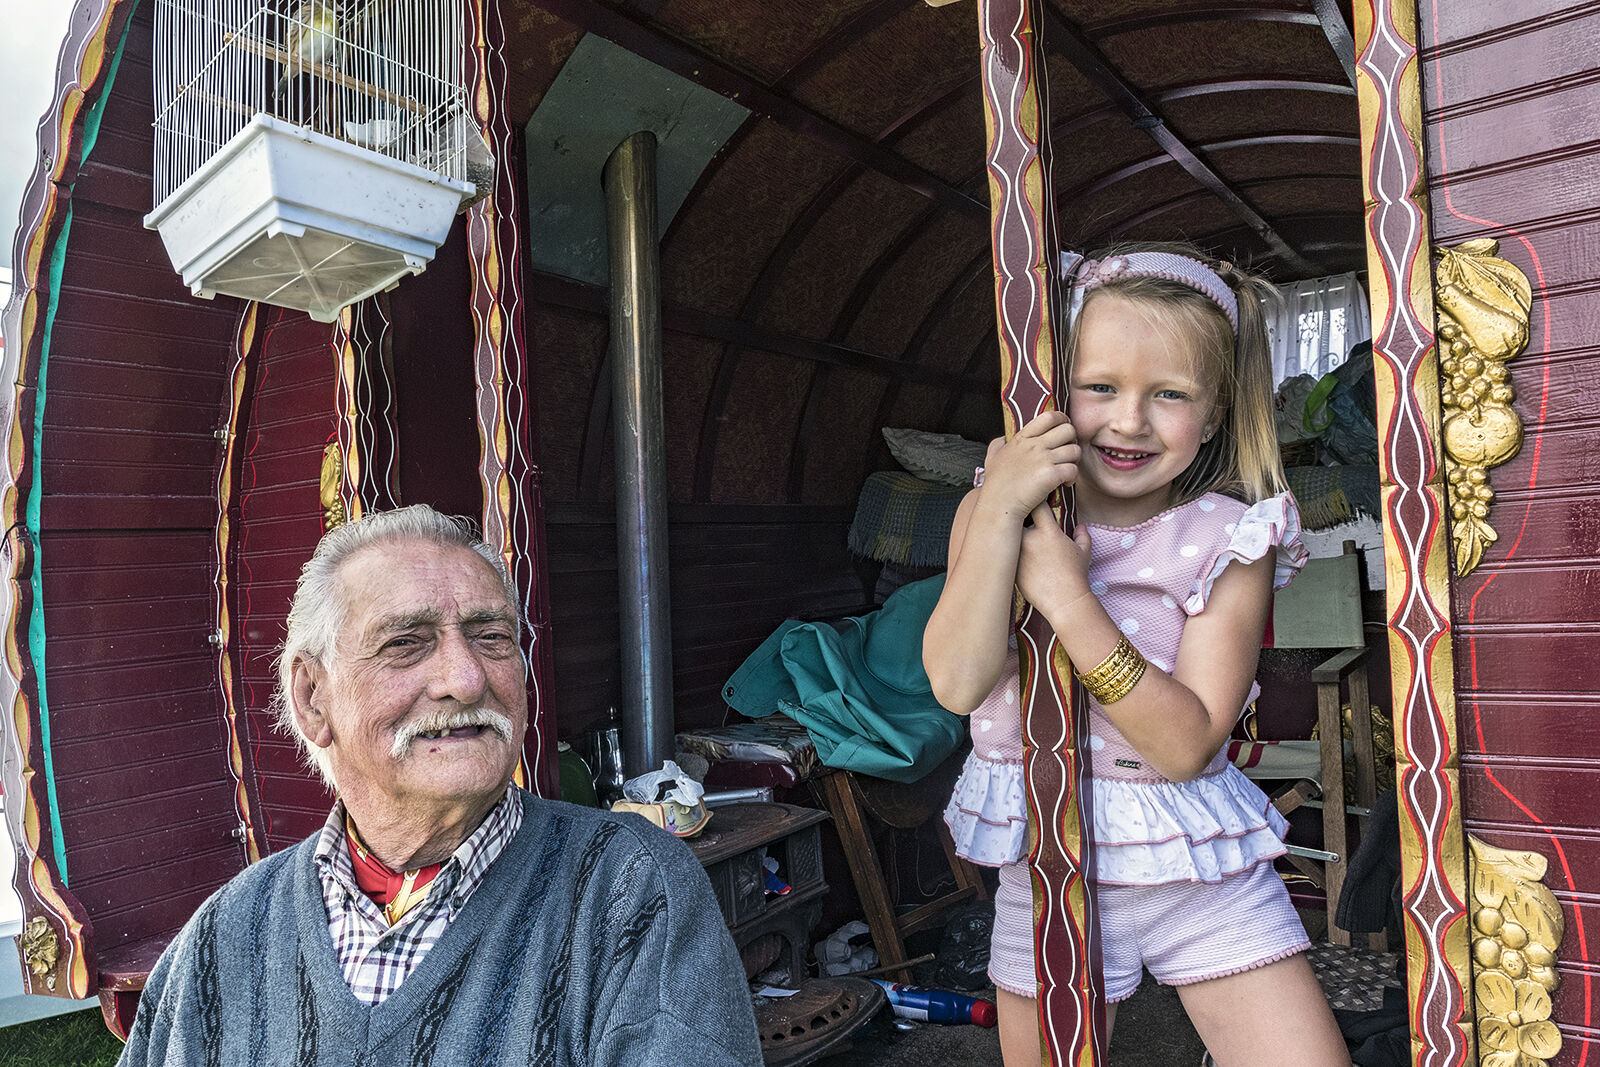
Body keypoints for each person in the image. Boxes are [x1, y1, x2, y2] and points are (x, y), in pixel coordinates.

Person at [118, 505, 762, 1066]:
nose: (466, 678)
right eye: (406, 643)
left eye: (492, 637)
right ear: (312, 698)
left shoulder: (629, 891)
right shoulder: (225, 935)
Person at [924, 245, 1349, 1066]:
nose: (1129, 421)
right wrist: (1002, 510)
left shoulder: (1232, 538)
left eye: (1170, 394)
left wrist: (1069, 599)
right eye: (1100, 387)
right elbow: (957, 681)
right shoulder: (995, 510)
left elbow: (1185, 746)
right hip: (1048, 861)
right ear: (1056, 392)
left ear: (1214, 414)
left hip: (1201, 869)